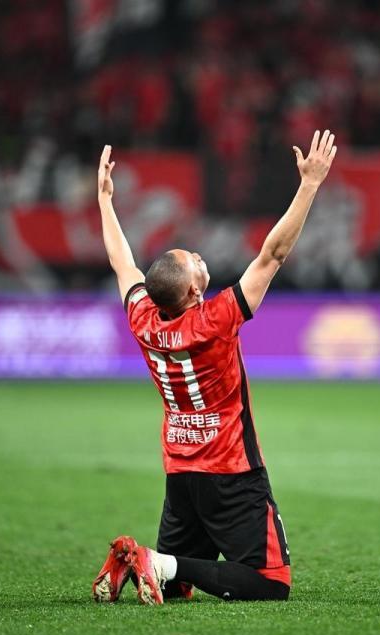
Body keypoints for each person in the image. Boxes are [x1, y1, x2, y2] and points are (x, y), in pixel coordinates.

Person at [91, 130, 337, 604]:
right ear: (192, 292)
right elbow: (273, 255)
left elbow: (122, 265)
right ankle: (158, 562)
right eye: (195, 261)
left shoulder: (143, 320)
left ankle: (137, 561)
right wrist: (309, 185)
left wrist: (104, 201)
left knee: (175, 589)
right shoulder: (216, 320)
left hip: (181, 474)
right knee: (271, 583)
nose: (200, 257)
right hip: (231, 471)